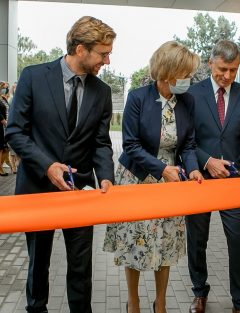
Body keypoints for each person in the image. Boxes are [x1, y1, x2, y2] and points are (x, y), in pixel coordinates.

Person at [5, 16, 116, 313]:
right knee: (38, 265)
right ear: (81, 49)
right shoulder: (33, 76)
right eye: (103, 53)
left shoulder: (102, 92)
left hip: (80, 193)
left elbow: (101, 142)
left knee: (81, 269)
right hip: (37, 190)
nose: (107, 60)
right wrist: (47, 165)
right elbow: (14, 132)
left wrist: (106, 177)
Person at [103, 41, 203, 313]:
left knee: (167, 243)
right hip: (138, 177)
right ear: (169, 73)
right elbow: (131, 145)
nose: (188, 80)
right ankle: (133, 301)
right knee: (135, 243)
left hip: (171, 181)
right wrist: (162, 169)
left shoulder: (187, 101)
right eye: (185, 74)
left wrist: (192, 168)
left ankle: (161, 301)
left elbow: (189, 145)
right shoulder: (138, 97)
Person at [187, 39, 240, 313]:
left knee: (238, 243)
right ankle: (199, 292)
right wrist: (207, 161)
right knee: (197, 242)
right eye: (223, 69)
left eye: (234, 70)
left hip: (234, 182)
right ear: (210, 63)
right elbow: (186, 140)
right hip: (199, 180)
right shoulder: (192, 94)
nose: (228, 76)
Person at [0, 81, 12, 176]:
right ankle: (0, 169)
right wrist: (5, 122)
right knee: (1, 148)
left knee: (5, 148)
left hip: (6, 126)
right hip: (2, 125)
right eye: (4, 87)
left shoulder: (3, 98)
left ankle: (2, 165)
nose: (6, 89)